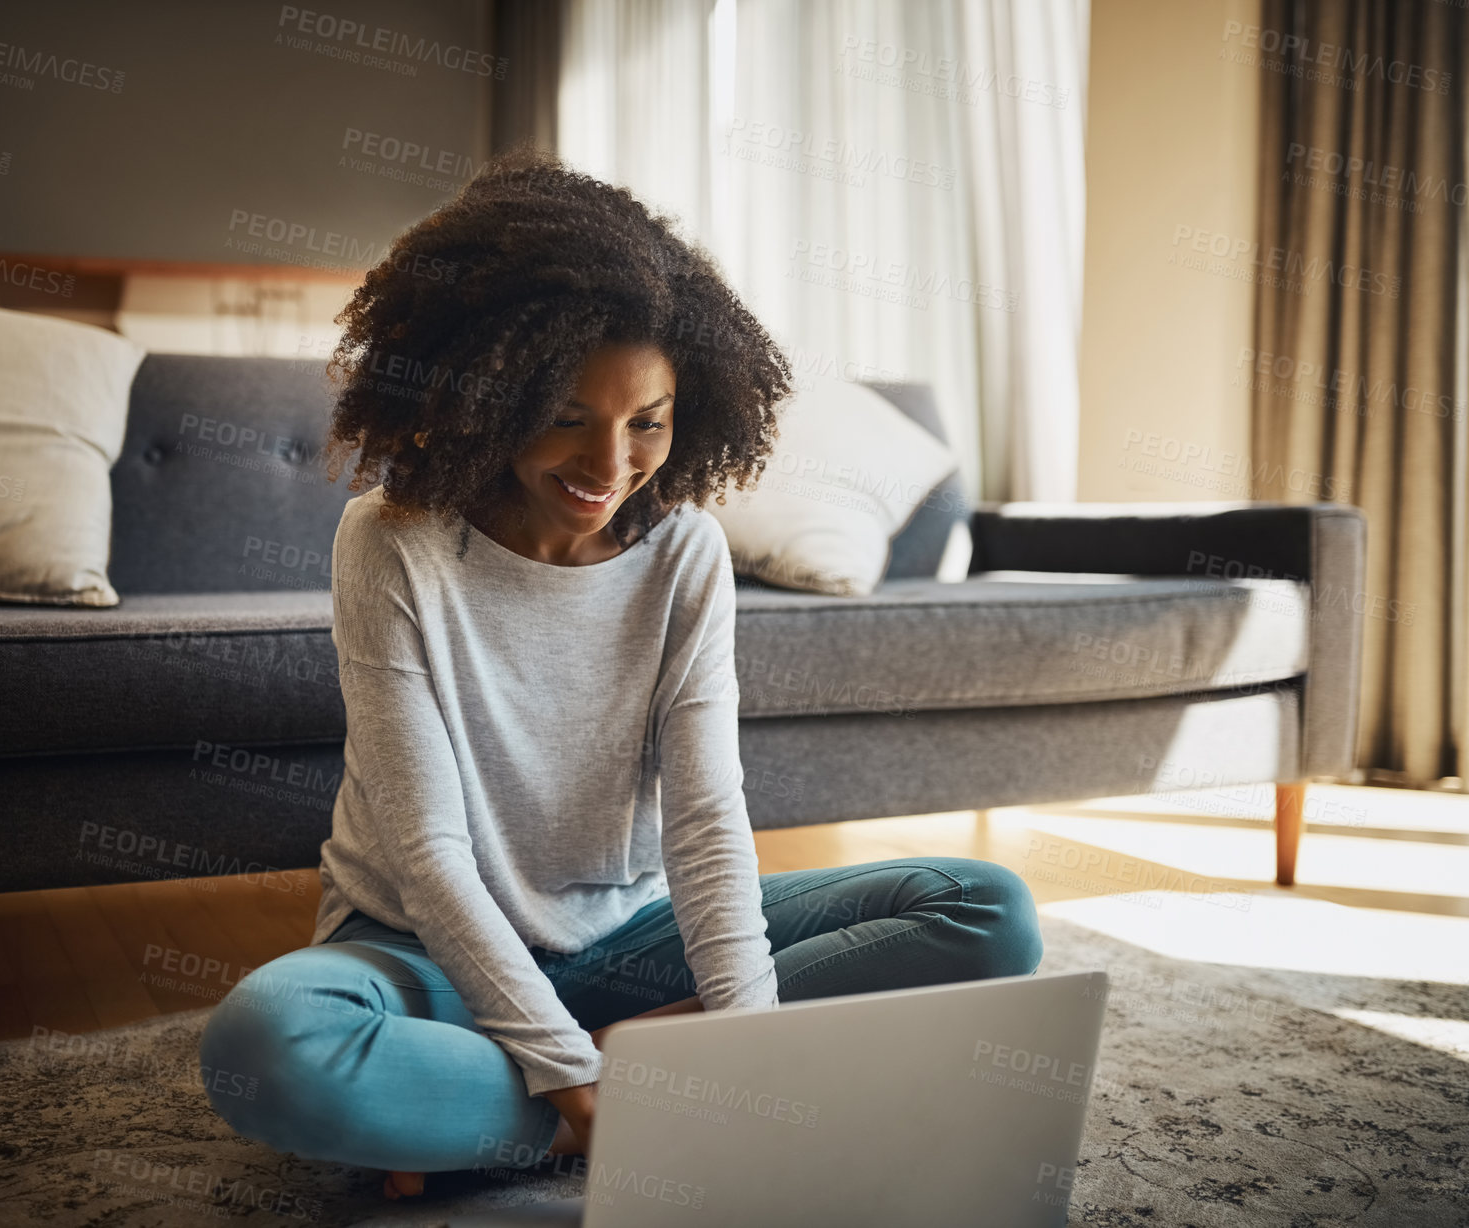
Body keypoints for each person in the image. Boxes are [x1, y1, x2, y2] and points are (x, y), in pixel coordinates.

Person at [197, 145, 1043, 1202]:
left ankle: (509, 1113)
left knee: (983, 909)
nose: (609, 466)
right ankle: (624, 1085)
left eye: (646, 421)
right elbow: (425, 852)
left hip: (629, 939)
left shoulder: (684, 550)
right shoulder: (394, 541)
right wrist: (565, 1066)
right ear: (486, 398)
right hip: (423, 956)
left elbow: (704, 818)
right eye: (565, 416)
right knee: (268, 1044)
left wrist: (748, 1049)